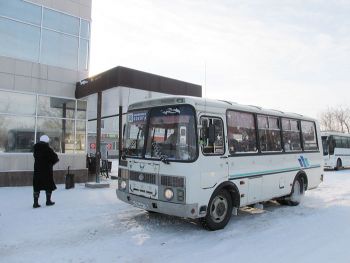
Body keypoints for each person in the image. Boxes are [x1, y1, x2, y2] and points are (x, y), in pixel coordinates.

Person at [32, 135, 59, 208]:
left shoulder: (36, 148)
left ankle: (35, 203)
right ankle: (48, 201)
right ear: (47, 141)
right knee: (48, 186)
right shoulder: (48, 149)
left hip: (37, 171)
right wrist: (50, 163)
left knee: (37, 186)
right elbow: (55, 158)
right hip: (47, 171)